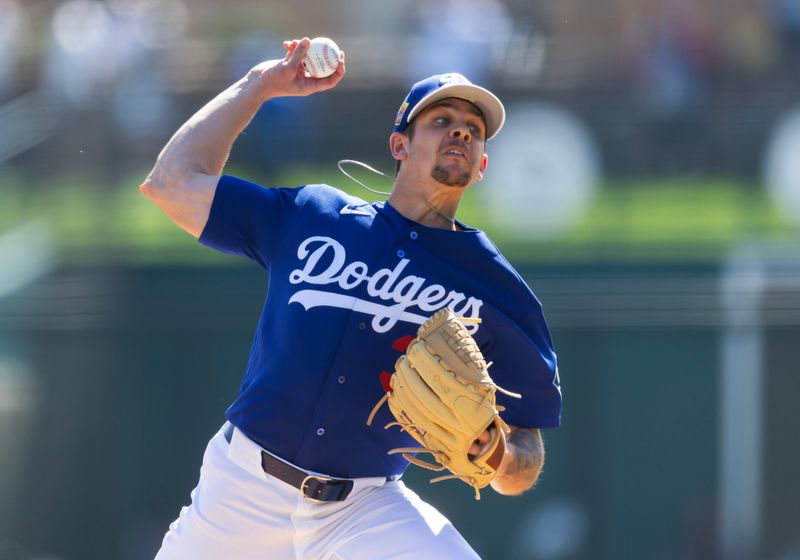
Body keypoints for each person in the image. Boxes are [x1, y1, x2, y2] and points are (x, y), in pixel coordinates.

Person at [141, 37, 562, 560]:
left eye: (473, 132)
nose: (460, 131)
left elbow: (527, 455)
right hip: (240, 491)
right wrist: (260, 86)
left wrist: (499, 456)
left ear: (480, 167)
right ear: (399, 146)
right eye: (441, 120)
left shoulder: (494, 285)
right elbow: (171, 181)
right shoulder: (314, 217)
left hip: (363, 510)